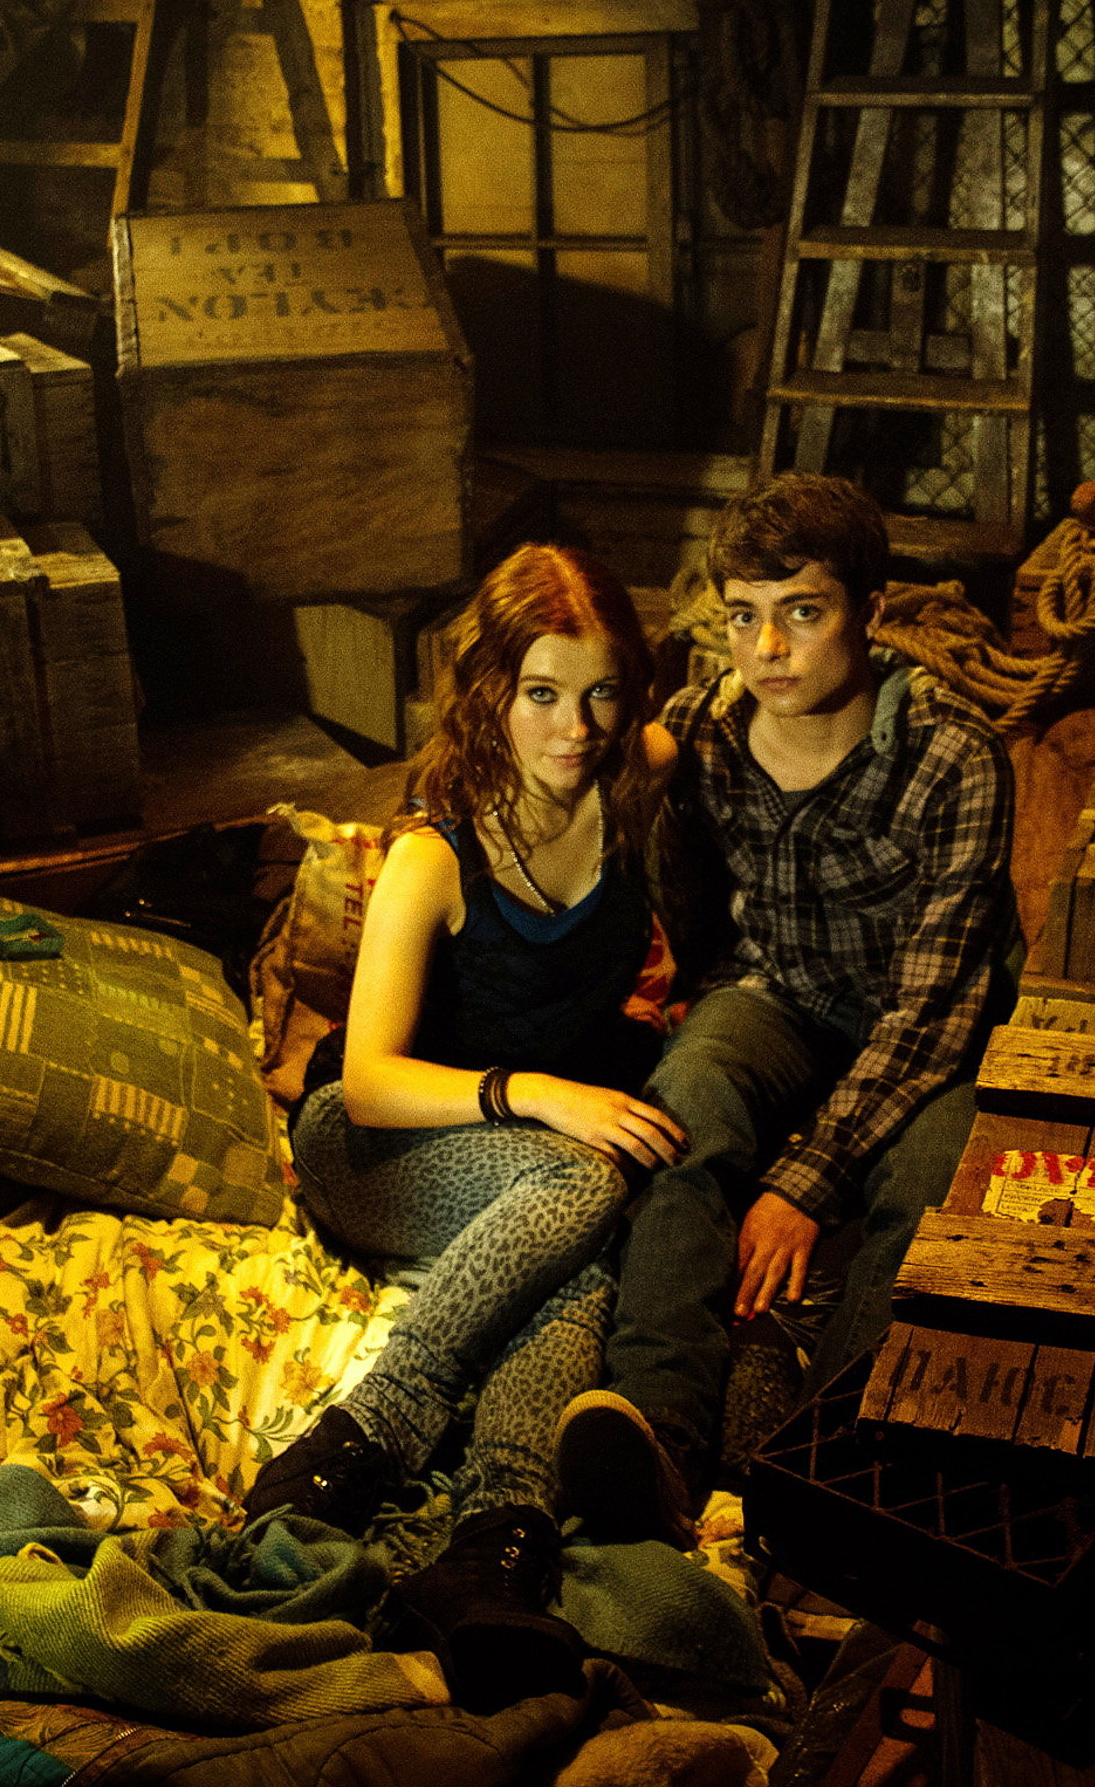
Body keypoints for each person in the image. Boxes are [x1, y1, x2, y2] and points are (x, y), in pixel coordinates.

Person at [243, 543, 684, 1712]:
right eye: (541, 693)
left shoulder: (636, 775)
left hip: (525, 1159)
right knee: (585, 1186)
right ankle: (371, 1425)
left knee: (583, 1255)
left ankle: (495, 1544)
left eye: (600, 692)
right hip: (374, 1146)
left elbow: (736, 723)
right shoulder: (433, 854)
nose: (574, 728)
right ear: (490, 691)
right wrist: (535, 1091)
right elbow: (371, 1080)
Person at [554, 472, 1021, 1546]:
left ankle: (824, 1473)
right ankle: (657, 1428)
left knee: (929, 1195)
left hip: (930, 1034)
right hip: (776, 994)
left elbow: (936, 1012)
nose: (767, 648)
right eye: (742, 617)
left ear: (869, 612)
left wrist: (804, 1184)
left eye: (801, 613)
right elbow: (582, 786)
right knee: (682, 1114)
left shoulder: (951, 753)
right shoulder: (705, 729)